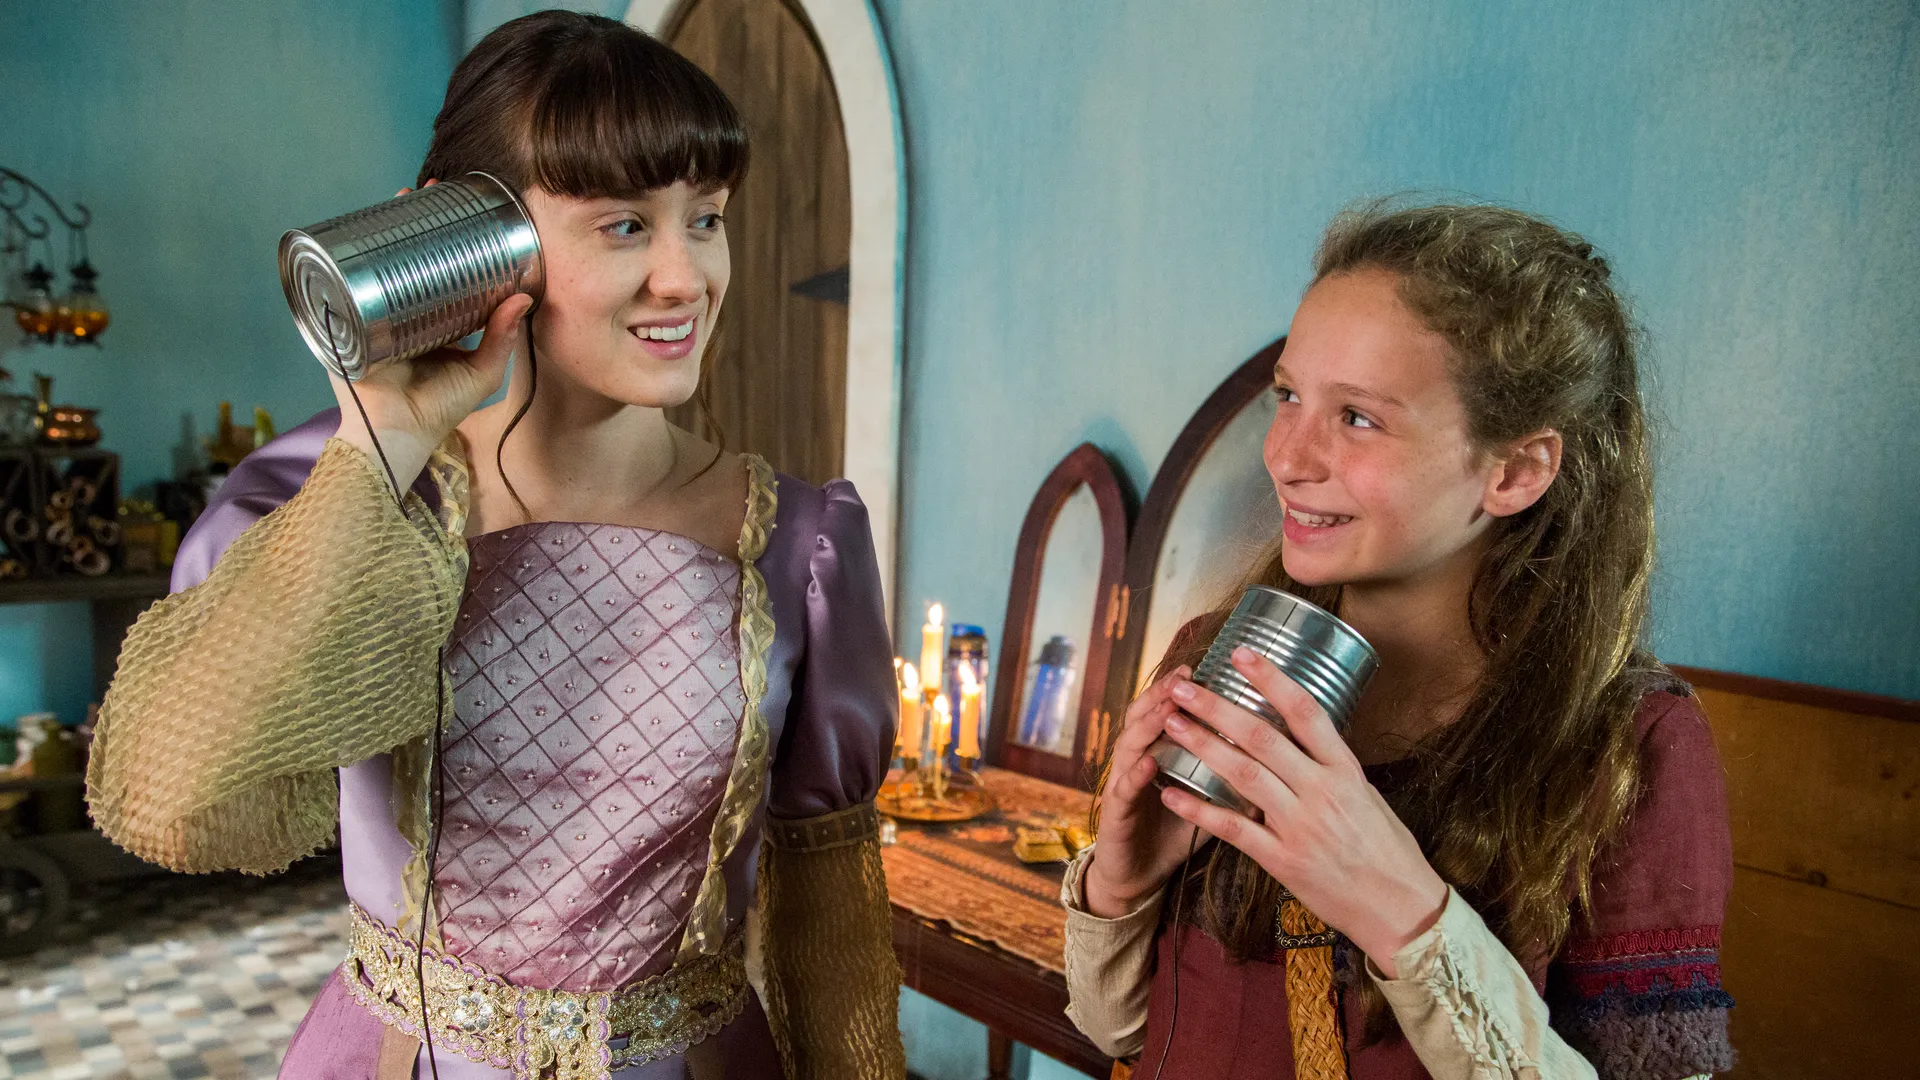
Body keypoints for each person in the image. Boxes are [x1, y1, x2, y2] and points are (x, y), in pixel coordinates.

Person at [85, 12, 905, 1080]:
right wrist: (384, 438)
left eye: (705, 218)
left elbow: (831, 940)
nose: (685, 277)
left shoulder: (804, 548)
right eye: (624, 226)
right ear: (470, 234)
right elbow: (176, 797)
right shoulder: (333, 497)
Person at [1062, 202, 1735, 1080]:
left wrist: (1405, 915)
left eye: (1359, 418)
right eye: (1289, 396)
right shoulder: (1218, 655)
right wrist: (1120, 887)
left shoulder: (1627, 748)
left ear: (1516, 470)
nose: (1287, 457)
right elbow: (1123, 1033)